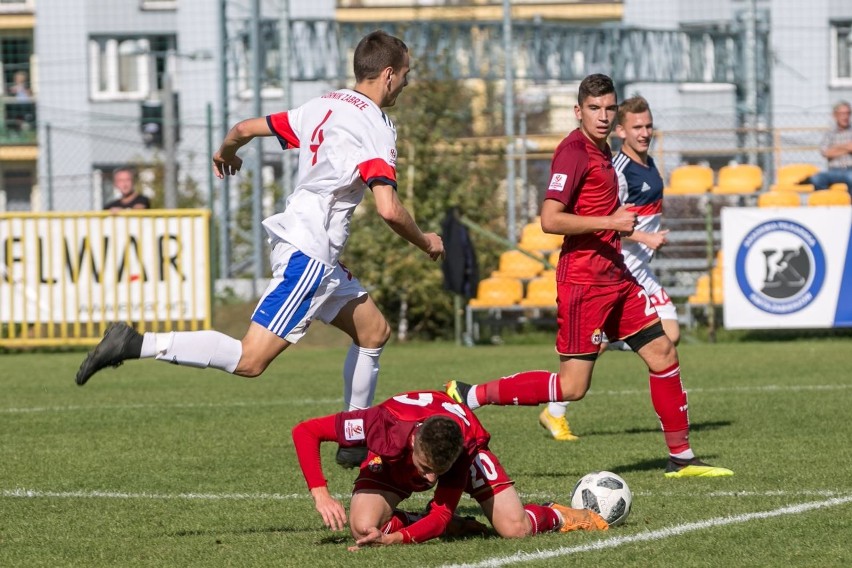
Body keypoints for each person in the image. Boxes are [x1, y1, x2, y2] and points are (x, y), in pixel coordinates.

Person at [75, 31, 445, 468]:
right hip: (310, 253)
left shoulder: (323, 104)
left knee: (373, 332)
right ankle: (136, 343)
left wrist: (225, 151)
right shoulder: (374, 127)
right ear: (388, 74)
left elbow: (243, 129)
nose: (406, 83)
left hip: (307, 248)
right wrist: (425, 241)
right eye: (405, 75)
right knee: (251, 360)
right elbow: (388, 208)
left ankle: (353, 433)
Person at [445, 74, 733, 479]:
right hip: (584, 282)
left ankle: (681, 458)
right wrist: (612, 221)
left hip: (616, 276)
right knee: (572, 387)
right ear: (578, 111)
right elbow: (549, 219)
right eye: (594, 109)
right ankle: (470, 394)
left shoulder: (604, 150)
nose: (602, 116)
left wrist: (617, 228)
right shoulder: (573, 153)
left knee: (663, 352)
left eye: (608, 108)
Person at [291, 390, 609, 549]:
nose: (430, 480)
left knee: (514, 528)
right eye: (426, 468)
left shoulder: (462, 447)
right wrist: (321, 493)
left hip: (468, 449)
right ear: (414, 441)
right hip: (396, 455)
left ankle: (558, 514)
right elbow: (305, 431)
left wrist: (395, 540)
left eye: (436, 472)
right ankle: (451, 525)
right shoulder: (381, 424)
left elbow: (439, 513)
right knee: (362, 528)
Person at [543, 96, 681, 436]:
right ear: (621, 130)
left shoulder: (648, 164)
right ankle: (554, 407)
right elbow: (610, 221)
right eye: (637, 127)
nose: (645, 133)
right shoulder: (615, 167)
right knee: (665, 337)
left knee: (667, 338)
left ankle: (681, 449)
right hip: (622, 267)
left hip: (639, 268)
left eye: (649, 126)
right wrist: (644, 239)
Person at [808, 101, 852, 192]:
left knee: (851, 177)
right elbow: (826, 152)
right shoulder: (829, 134)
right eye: (842, 113)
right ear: (835, 115)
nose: (846, 116)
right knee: (817, 179)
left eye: (848, 113)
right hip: (833, 171)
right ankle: (826, 204)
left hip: (850, 169)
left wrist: (835, 149)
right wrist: (846, 147)